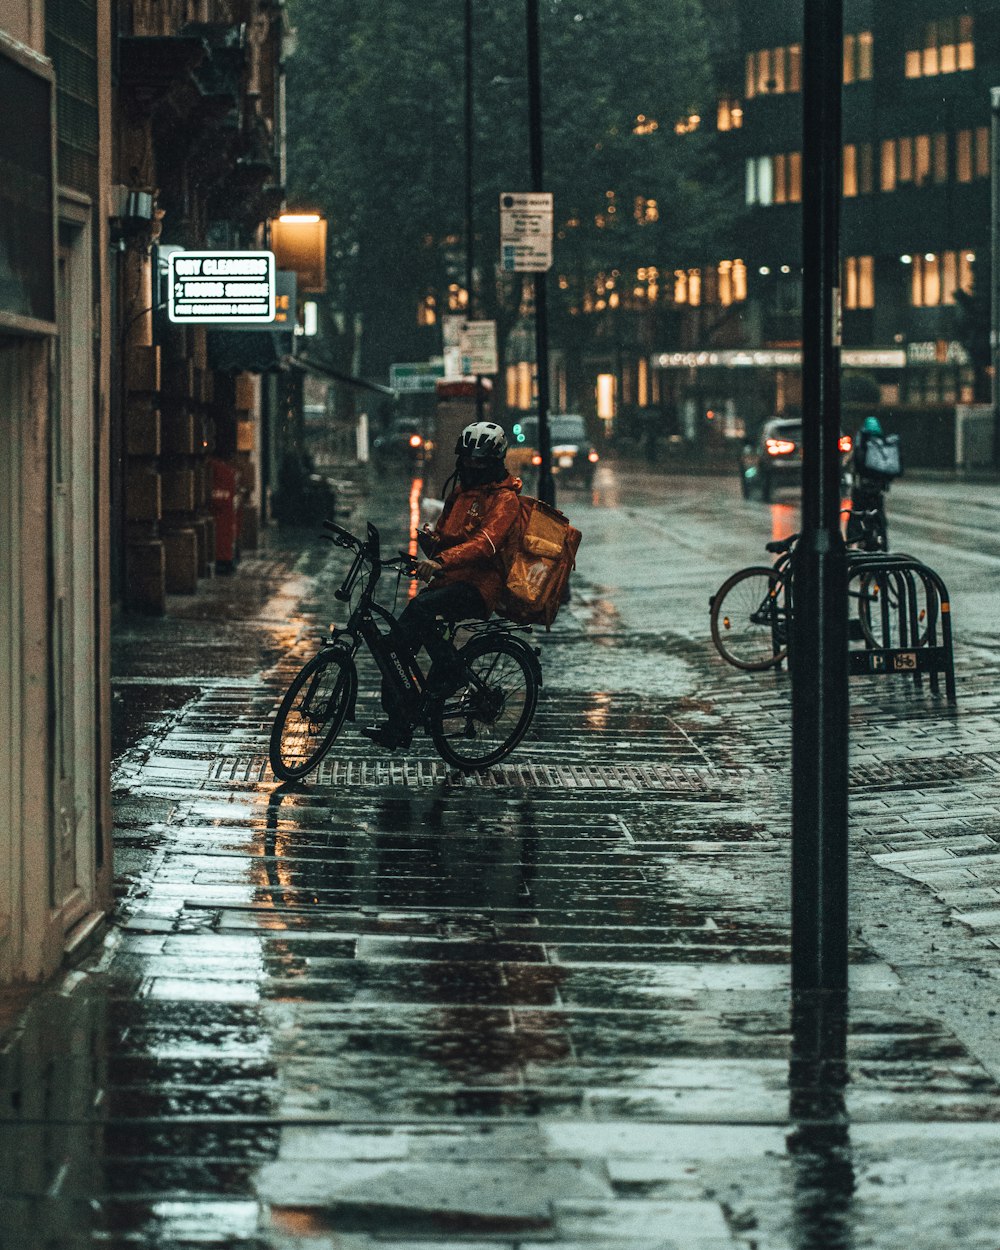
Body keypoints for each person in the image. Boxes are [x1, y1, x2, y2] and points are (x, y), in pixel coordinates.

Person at [361, 421, 522, 748]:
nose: (470, 465)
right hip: (450, 580)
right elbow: (449, 542)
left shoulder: (505, 500)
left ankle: (451, 673)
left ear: (494, 461)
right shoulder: (460, 494)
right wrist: (429, 545)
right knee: (398, 644)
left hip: (480, 587)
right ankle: (401, 719)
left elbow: (485, 543)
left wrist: (441, 561)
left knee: (421, 609)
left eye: (478, 460)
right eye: (466, 458)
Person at [846, 414, 894, 549]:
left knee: (855, 514)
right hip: (877, 490)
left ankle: (851, 543)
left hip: (861, 489)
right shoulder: (881, 442)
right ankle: (883, 541)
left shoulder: (860, 442)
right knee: (879, 514)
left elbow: (852, 464)